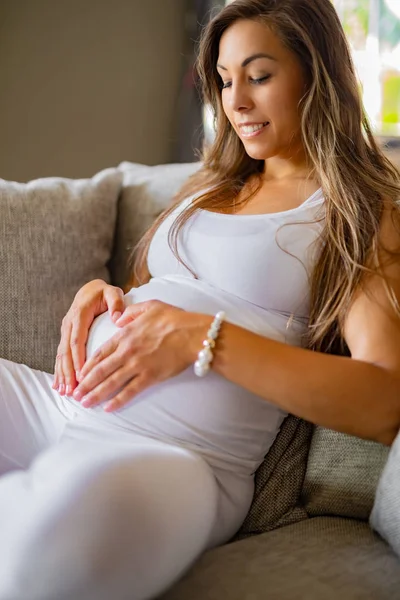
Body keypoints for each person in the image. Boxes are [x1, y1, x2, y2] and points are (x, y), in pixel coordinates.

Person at [1, 0, 400, 598]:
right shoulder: (213, 184)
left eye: (259, 76)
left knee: (53, 547)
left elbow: (382, 399)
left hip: (174, 455)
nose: (235, 103)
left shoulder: (360, 210)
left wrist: (203, 339)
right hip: (56, 406)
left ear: (317, 74)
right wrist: (101, 294)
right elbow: (155, 292)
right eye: (225, 80)